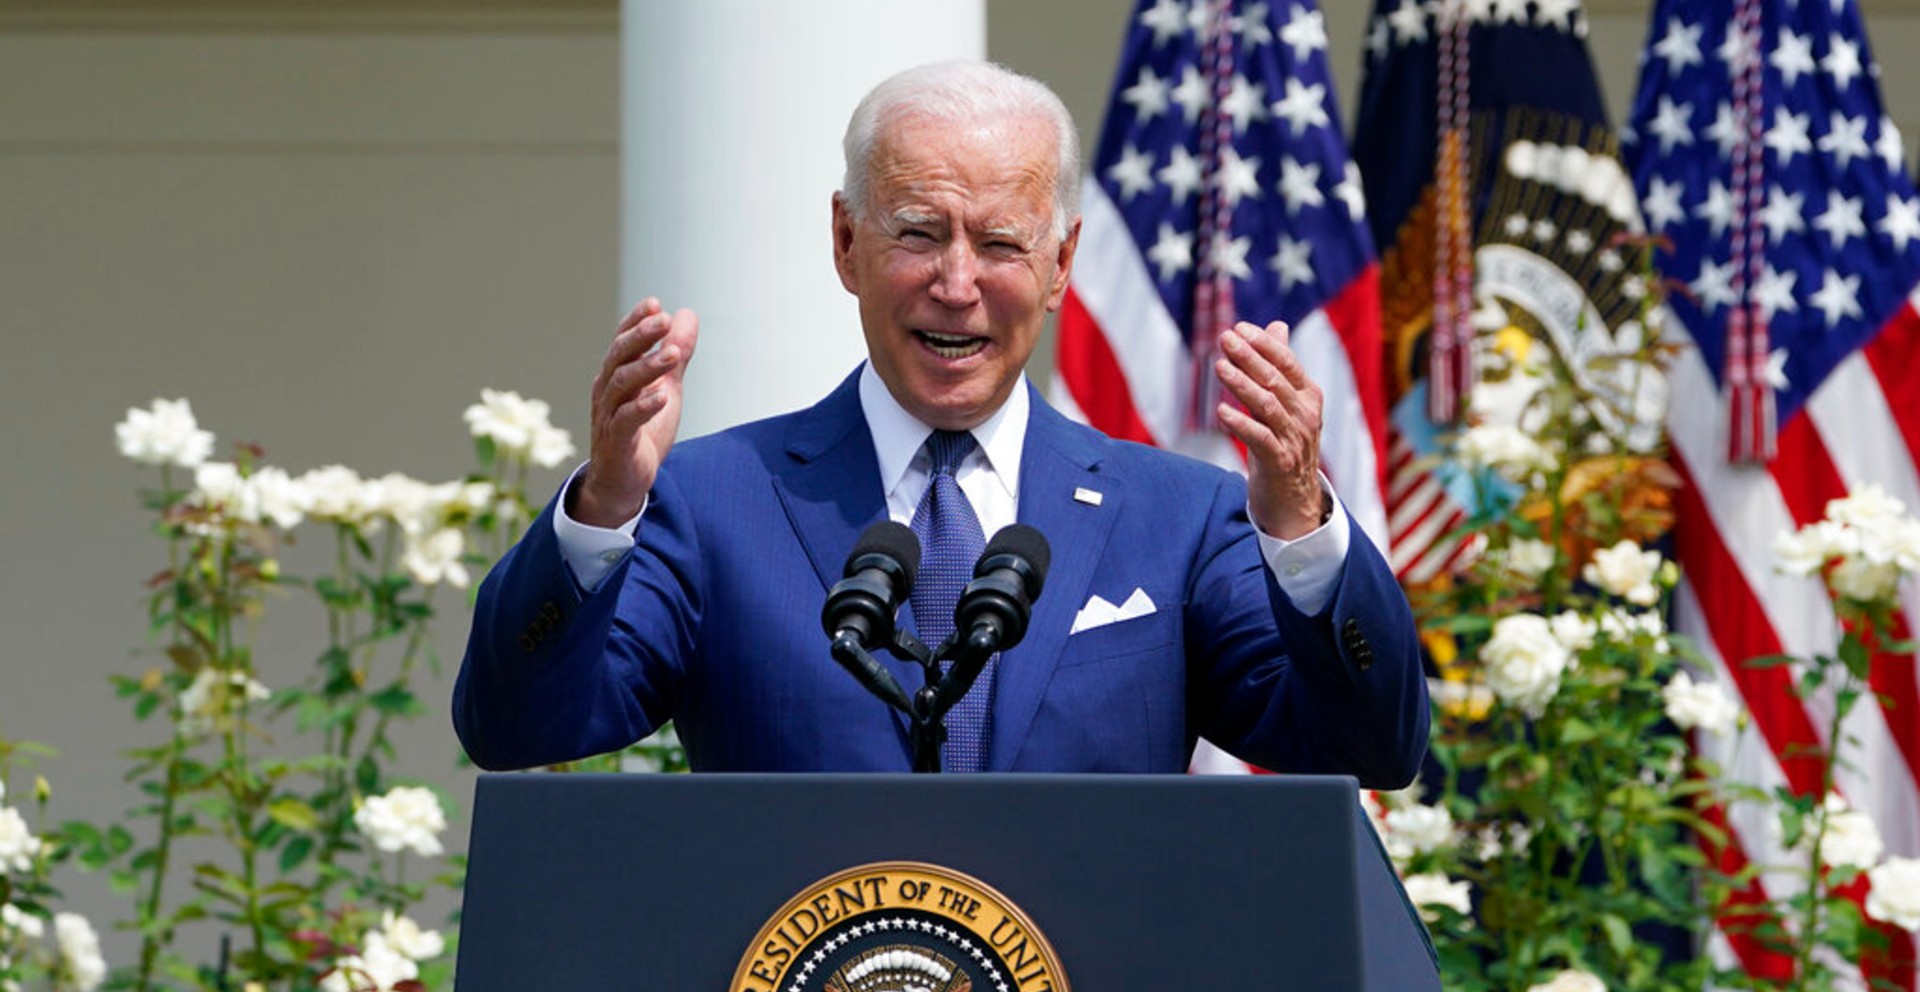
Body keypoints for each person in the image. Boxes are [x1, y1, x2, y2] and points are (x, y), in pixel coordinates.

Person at [453, 59, 1427, 785]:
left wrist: (1299, 527)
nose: (957, 284)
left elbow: (1368, 746)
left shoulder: (1180, 518)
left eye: (1000, 243)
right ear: (846, 242)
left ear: (1061, 264)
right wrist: (605, 505)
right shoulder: (712, 502)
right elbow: (518, 728)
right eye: (918, 233)